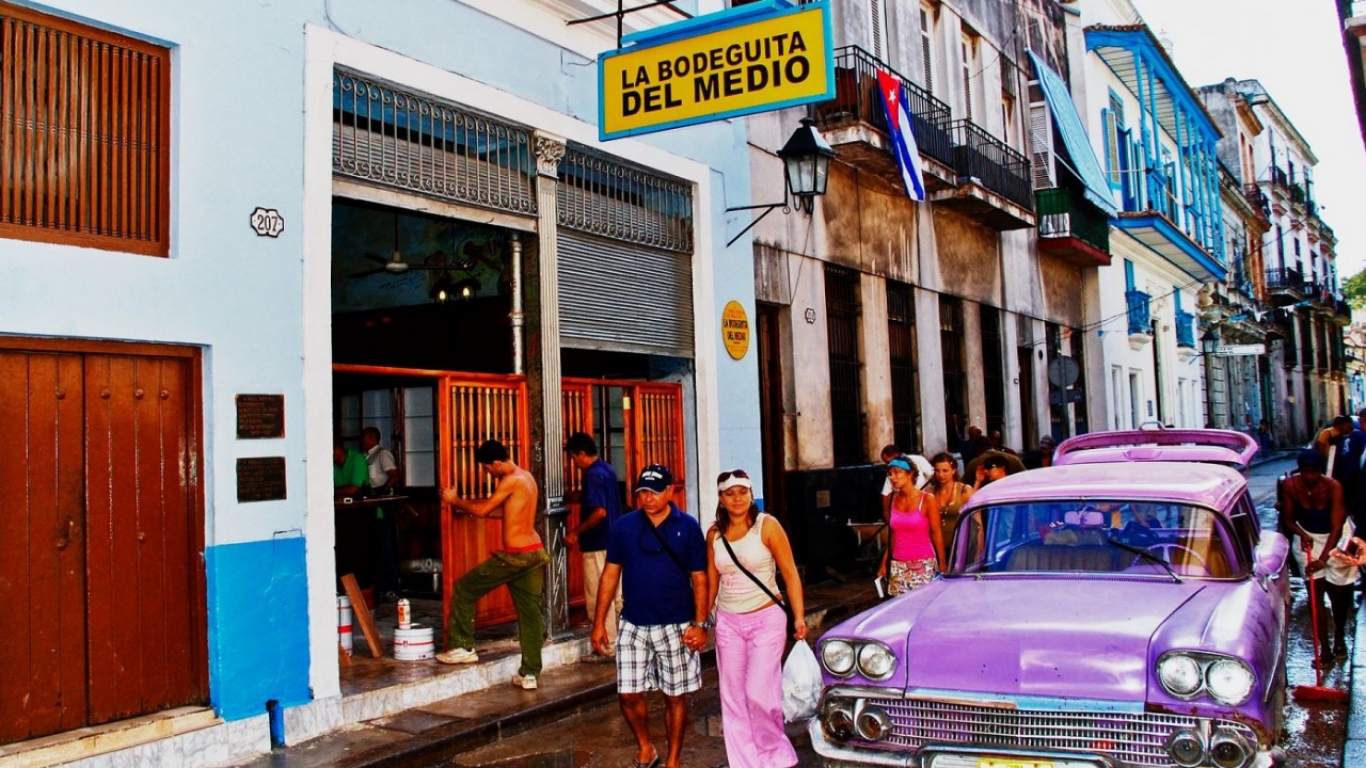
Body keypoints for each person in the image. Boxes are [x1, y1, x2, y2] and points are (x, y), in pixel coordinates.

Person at [592, 465, 708, 768]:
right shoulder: (624, 526)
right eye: (643, 491)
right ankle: (646, 747)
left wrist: (700, 624)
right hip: (633, 624)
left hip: (677, 624)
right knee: (628, 694)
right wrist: (598, 623)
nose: (648, 498)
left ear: (670, 491)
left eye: (655, 491)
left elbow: (700, 578)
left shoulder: (688, 526)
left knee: (675, 696)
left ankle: (673, 760)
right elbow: (609, 575)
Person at [705, 469, 807, 768]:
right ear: (721, 499)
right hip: (729, 623)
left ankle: (775, 755)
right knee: (733, 696)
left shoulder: (767, 526)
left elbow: (789, 573)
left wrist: (799, 617)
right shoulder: (714, 534)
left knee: (759, 693)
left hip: (766, 618)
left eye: (742, 492)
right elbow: (712, 583)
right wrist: (699, 621)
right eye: (729, 493)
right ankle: (745, 762)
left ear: (751, 495)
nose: (737, 498)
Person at [436, 440, 548, 690]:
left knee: (465, 588)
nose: (489, 473)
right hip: (534, 552)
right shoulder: (527, 477)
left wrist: (455, 501)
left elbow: (485, 510)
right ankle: (529, 674)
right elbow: (506, 513)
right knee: (530, 615)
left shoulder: (510, 480)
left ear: (497, 463)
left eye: (488, 469)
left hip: (515, 556)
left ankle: (462, 646)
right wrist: (468, 507)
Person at [1280, 449, 1355, 660]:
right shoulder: (1290, 486)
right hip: (1308, 539)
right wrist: (1302, 534)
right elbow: (1288, 520)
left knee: (1338, 595)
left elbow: (1337, 526)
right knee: (1315, 596)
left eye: (1314, 472)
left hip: (1337, 539)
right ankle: (1324, 648)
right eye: (1305, 471)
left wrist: (1323, 560)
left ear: (1321, 472)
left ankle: (1339, 636)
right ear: (1300, 470)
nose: (1310, 476)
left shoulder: (1334, 487)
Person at [564, 432, 624, 663]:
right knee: (617, 595)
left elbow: (599, 511)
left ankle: (606, 646)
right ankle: (618, 641)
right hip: (613, 541)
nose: (575, 463)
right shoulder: (606, 469)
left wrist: (574, 532)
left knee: (599, 594)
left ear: (580, 454)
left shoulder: (592, 475)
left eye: (574, 458)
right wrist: (574, 496)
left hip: (598, 542)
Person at [879, 456, 945, 596]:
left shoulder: (927, 500)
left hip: (923, 565)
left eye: (897, 472)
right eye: (890, 474)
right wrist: (884, 563)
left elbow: (937, 533)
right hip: (898, 566)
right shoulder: (892, 499)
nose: (893, 477)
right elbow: (893, 535)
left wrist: (943, 566)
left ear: (910, 474)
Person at [360, 426, 400, 600]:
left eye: (363, 438)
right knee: (373, 545)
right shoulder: (364, 456)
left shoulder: (383, 454)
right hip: (369, 502)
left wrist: (383, 489)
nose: (361, 441)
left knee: (385, 546)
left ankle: (389, 586)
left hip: (383, 502)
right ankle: (376, 585)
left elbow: (394, 476)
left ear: (371, 438)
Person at [926, 452, 973, 553]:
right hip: (934, 547)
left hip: (960, 547)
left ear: (954, 470)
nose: (941, 475)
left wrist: (978, 548)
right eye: (937, 471)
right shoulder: (929, 492)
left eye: (945, 471)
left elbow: (976, 521)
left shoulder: (964, 490)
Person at [879, 444, 931, 521]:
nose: (888, 465)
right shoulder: (891, 472)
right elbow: (885, 493)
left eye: (889, 462)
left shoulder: (919, 460)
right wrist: (886, 514)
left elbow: (932, 477)